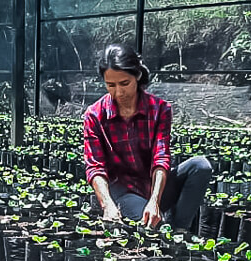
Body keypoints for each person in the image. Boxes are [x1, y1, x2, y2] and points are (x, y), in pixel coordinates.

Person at [83, 44, 213, 230]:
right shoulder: (94, 115)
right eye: (111, 85)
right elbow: (95, 167)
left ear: (137, 75)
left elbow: (161, 158)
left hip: (154, 187)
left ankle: (178, 230)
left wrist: (155, 201)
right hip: (123, 192)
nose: (118, 92)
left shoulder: (159, 109)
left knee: (201, 166)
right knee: (151, 228)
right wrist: (107, 205)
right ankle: (162, 232)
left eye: (124, 83)